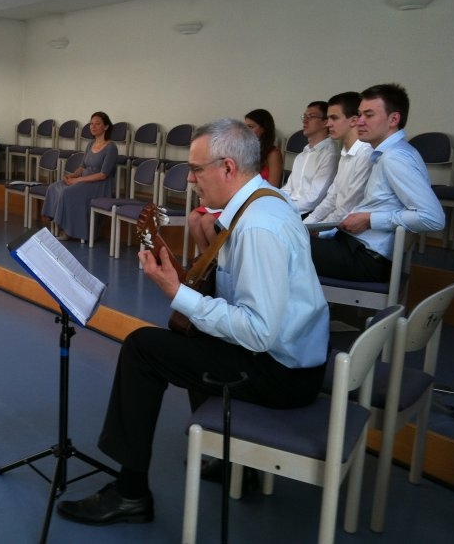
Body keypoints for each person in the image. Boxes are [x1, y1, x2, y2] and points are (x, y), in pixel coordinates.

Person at [56, 119, 329, 526]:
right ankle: (230, 459)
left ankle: (130, 493)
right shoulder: (263, 201)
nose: (189, 180)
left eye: (196, 170)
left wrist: (176, 292)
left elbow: (258, 332)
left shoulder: (258, 227)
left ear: (228, 168)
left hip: (282, 373)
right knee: (189, 334)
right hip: (291, 356)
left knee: (142, 349)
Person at [310, 83, 445, 282]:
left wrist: (370, 219)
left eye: (369, 115)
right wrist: (325, 232)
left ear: (394, 119)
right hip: (356, 247)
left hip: (366, 257)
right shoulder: (388, 153)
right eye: (359, 114)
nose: (359, 121)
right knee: (284, 241)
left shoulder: (395, 157)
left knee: (277, 245)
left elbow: (433, 218)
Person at [189, 108, 282, 249]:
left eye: (251, 127)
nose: (190, 179)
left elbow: (271, 187)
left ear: (264, 129)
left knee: (208, 221)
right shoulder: (237, 151)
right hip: (234, 198)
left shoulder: (272, 153)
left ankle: (217, 259)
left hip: (248, 202)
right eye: (245, 126)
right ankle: (206, 259)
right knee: (194, 218)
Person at [42, 111, 118, 241]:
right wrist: (71, 176)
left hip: (99, 185)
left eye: (97, 124)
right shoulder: (90, 144)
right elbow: (82, 166)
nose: (93, 127)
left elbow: (103, 175)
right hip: (83, 180)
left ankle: (68, 231)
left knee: (68, 192)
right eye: (91, 124)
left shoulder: (111, 147)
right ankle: (57, 223)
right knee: (54, 187)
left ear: (106, 127)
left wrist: (78, 180)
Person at [303, 92, 372, 231]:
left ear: (353, 121)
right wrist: (306, 225)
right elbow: (331, 198)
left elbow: (347, 208)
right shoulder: (345, 152)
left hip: (350, 232)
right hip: (337, 225)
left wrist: (317, 230)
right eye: (328, 118)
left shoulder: (365, 153)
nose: (328, 124)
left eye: (334, 118)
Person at [280, 101, 338, 216]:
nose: (305, 121)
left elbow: (313, 199)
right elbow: (288, 189)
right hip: (290, 207)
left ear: (325, 122)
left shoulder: (330, 154)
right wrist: (273, 201)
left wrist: (284, 210)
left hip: (308, 213)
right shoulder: (302, 155)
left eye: (311, 117)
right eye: (304, 117)